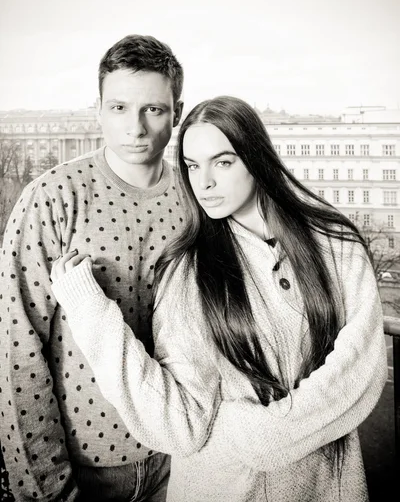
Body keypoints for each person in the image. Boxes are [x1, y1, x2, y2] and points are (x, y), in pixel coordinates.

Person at [50, 96, 387, 502]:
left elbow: (361, 367)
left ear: (256, 159)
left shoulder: (336, 244)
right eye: (192, 166)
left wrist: (267, 433)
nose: (203, 182)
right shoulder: (188, 269)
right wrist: (90, 312)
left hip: (328, 488)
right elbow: (179, 425)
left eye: (222, 162)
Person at [0, 34, 185, 501]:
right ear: (98, 110)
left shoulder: (198, 199)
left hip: (184, 461)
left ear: (177, 113)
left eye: (154, 109)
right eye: (119, 108)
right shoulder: (52, 197)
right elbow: (16, 348)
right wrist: (46, 488)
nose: (136, 128)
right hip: (84, 470)